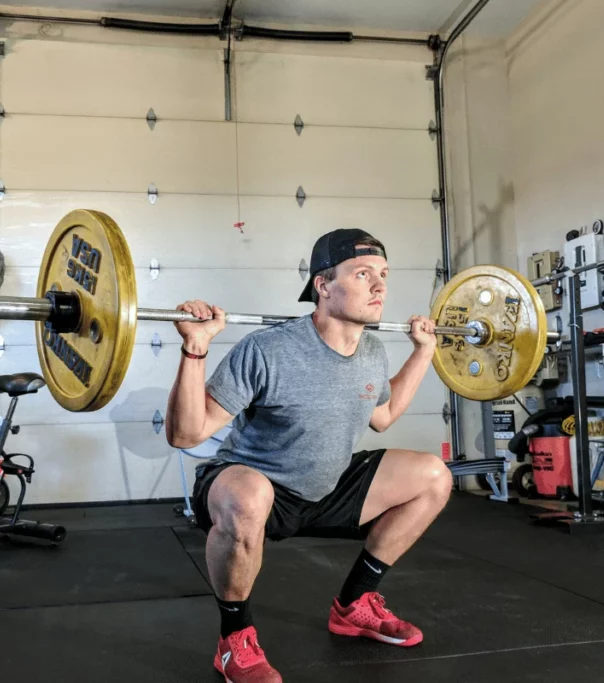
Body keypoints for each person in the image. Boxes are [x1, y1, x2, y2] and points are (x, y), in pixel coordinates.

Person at [165, 228, 453, 683]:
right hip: (254, 485)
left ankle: (355, 604)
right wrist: (194, 347)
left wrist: (424, 352)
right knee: (248, 496)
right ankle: (233, 640)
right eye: (362, 274)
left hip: (326, 485)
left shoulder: (373, 350)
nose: (379, 286)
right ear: (323, 285)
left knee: (434, 475)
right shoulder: (268, 349)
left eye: (383, 274)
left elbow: (385, 415)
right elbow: (186, 433)